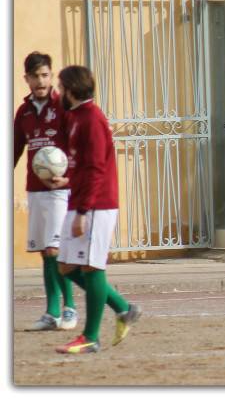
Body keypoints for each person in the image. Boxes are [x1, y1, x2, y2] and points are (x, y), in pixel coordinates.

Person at [48, 66, 140, 354]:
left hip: (96, 205)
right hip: (81, 200)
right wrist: (67, 179)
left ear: (72, 89)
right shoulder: (75, 117)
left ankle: (90, 337)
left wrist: (85, 212)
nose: (59, 93)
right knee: (65, 265)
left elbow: (97, 168)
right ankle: (123, 308)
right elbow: (82, 165)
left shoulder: (92, 119)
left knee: (91, 267)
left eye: (61, 87)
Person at [14, 52, 77, 331]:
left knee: (55, 248)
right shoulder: (24, 111)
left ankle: (69, 309)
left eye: (45, 75)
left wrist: (70, 177)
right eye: (35, 76)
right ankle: (51, 312)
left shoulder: (64, 107)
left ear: (51, 76)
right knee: (44, 251)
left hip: (60, 190)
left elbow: (80, 146)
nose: (40, 81)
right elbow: (14, 149)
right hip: (36, 188)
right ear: (26, 78)